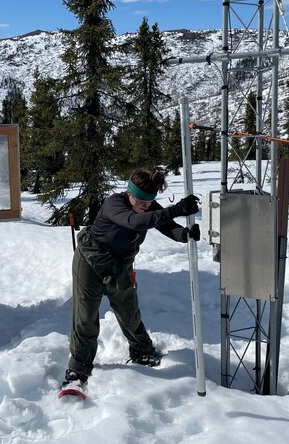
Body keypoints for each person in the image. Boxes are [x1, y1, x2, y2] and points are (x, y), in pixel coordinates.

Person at [63, 167, 200, 390]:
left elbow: (164, 225)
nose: (145, 206)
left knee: (129, 311)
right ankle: (78, 367)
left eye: (149, 203)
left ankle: (142, 351)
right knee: (85, 316)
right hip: (90, 261)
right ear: (129, 193)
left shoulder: (148, 206)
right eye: (141, 202)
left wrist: (184, 234)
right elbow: (135, 222)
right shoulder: (114, 204)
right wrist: (176, 209)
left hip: (120, 265)